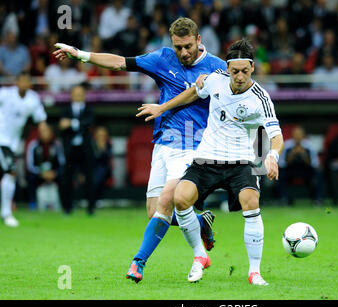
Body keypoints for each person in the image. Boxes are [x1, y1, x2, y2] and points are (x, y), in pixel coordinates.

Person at [53, 17, 226, 282]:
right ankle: (200, 222)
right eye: (178, 47)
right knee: (155, 211)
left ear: (199, 40)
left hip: (194, 145)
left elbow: (210, 96)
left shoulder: (217, 67)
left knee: (168, 201)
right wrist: (81, 55)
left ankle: (138, 263)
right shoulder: (163, 58)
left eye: (188, 46)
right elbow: (121, 62)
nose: (184, 53)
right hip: (163, 144)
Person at [137, 39, 284, 285]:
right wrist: (162, 108)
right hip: (207, 158)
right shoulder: (214, 79)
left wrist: (272, 156)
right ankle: (199, 257)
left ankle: (255, 272)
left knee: (251, 200)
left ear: (252, 69)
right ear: (227, 68)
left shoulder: (261, 97)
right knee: (180, 198)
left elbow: (276, 135)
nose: (239, 77)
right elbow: (192, 93)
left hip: (241, 161)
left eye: (244, 72)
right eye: (234, 71)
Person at [0, 72, 47, 227]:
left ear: (30, 84)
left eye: (27, 81)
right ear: (17, 82)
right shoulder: (6, 94)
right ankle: (6, 213)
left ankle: (6, 211)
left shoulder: (32, 99)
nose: (24, 83)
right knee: (11, 172)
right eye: (21, 80)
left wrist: (43, 128)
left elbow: (40, 118)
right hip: (2, 140)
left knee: (9, 175)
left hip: (12, 144)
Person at [59, 84, 95, 215]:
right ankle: (67, 208)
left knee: (89, 178)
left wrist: (71, 123)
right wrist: (80, 124)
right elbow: (61, 126)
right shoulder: (65, 110)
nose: (78, 95)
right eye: (76, 93)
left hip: (85, 149)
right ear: (71, 95)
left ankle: (91, 208)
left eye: (80, 93)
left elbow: (88, 123)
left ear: (84, 95)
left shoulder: (89, 109)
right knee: (67, 178)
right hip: (70, 149)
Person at [278, 126, 322, 205]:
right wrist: (291, 155)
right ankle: (283, 199)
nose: (297, 137)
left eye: (299, 135)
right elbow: (282, 163)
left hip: (305, 170)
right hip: (291, 170)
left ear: (303, 136)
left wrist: (304, 155)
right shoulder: (287, 145)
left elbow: (315, 163)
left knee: (317, 175)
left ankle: (317, 199)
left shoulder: (309, 146)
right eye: (296, 135)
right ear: (293, 135)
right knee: (280, 176)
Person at [26, 123, 66, 211]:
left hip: (53, 173)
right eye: (42, 132)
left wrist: (54, 172)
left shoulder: (57, 144)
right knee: (31, 178)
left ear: (51, 132)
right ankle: (32, 202)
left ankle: (64, 203)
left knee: (64, 177)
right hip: (39, 173)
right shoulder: (33, 145)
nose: (45, 133)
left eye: (46, 131)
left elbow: (62, 162)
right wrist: (41, 173)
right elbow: (30, 165)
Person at [92, 126, 113, 203]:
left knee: (100, 171)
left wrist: (102, 149)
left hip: (104, 169)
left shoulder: (108, 145)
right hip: (91, 169)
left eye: (103, 135)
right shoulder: (91, 144)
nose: (101, 137)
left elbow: (107, 158)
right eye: (99, 135)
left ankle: (97, 199)